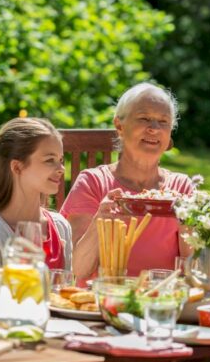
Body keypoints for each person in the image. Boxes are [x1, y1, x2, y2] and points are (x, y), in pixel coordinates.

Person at [61, 82, 194, 283]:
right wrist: (99, 221)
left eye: (163, 121)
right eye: (144, 119)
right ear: (119, 126)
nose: (154, 129)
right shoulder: (94, 183)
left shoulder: (181, 188)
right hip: (103, 302)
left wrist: (188, 224)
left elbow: (195, 272)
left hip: (161, 303)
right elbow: (74, 272)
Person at [0, 117, 72, 270]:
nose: (61, 168)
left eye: (61, 159)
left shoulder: (60, 226)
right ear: (17, 167)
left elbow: (65, 291)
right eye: (50, 160)